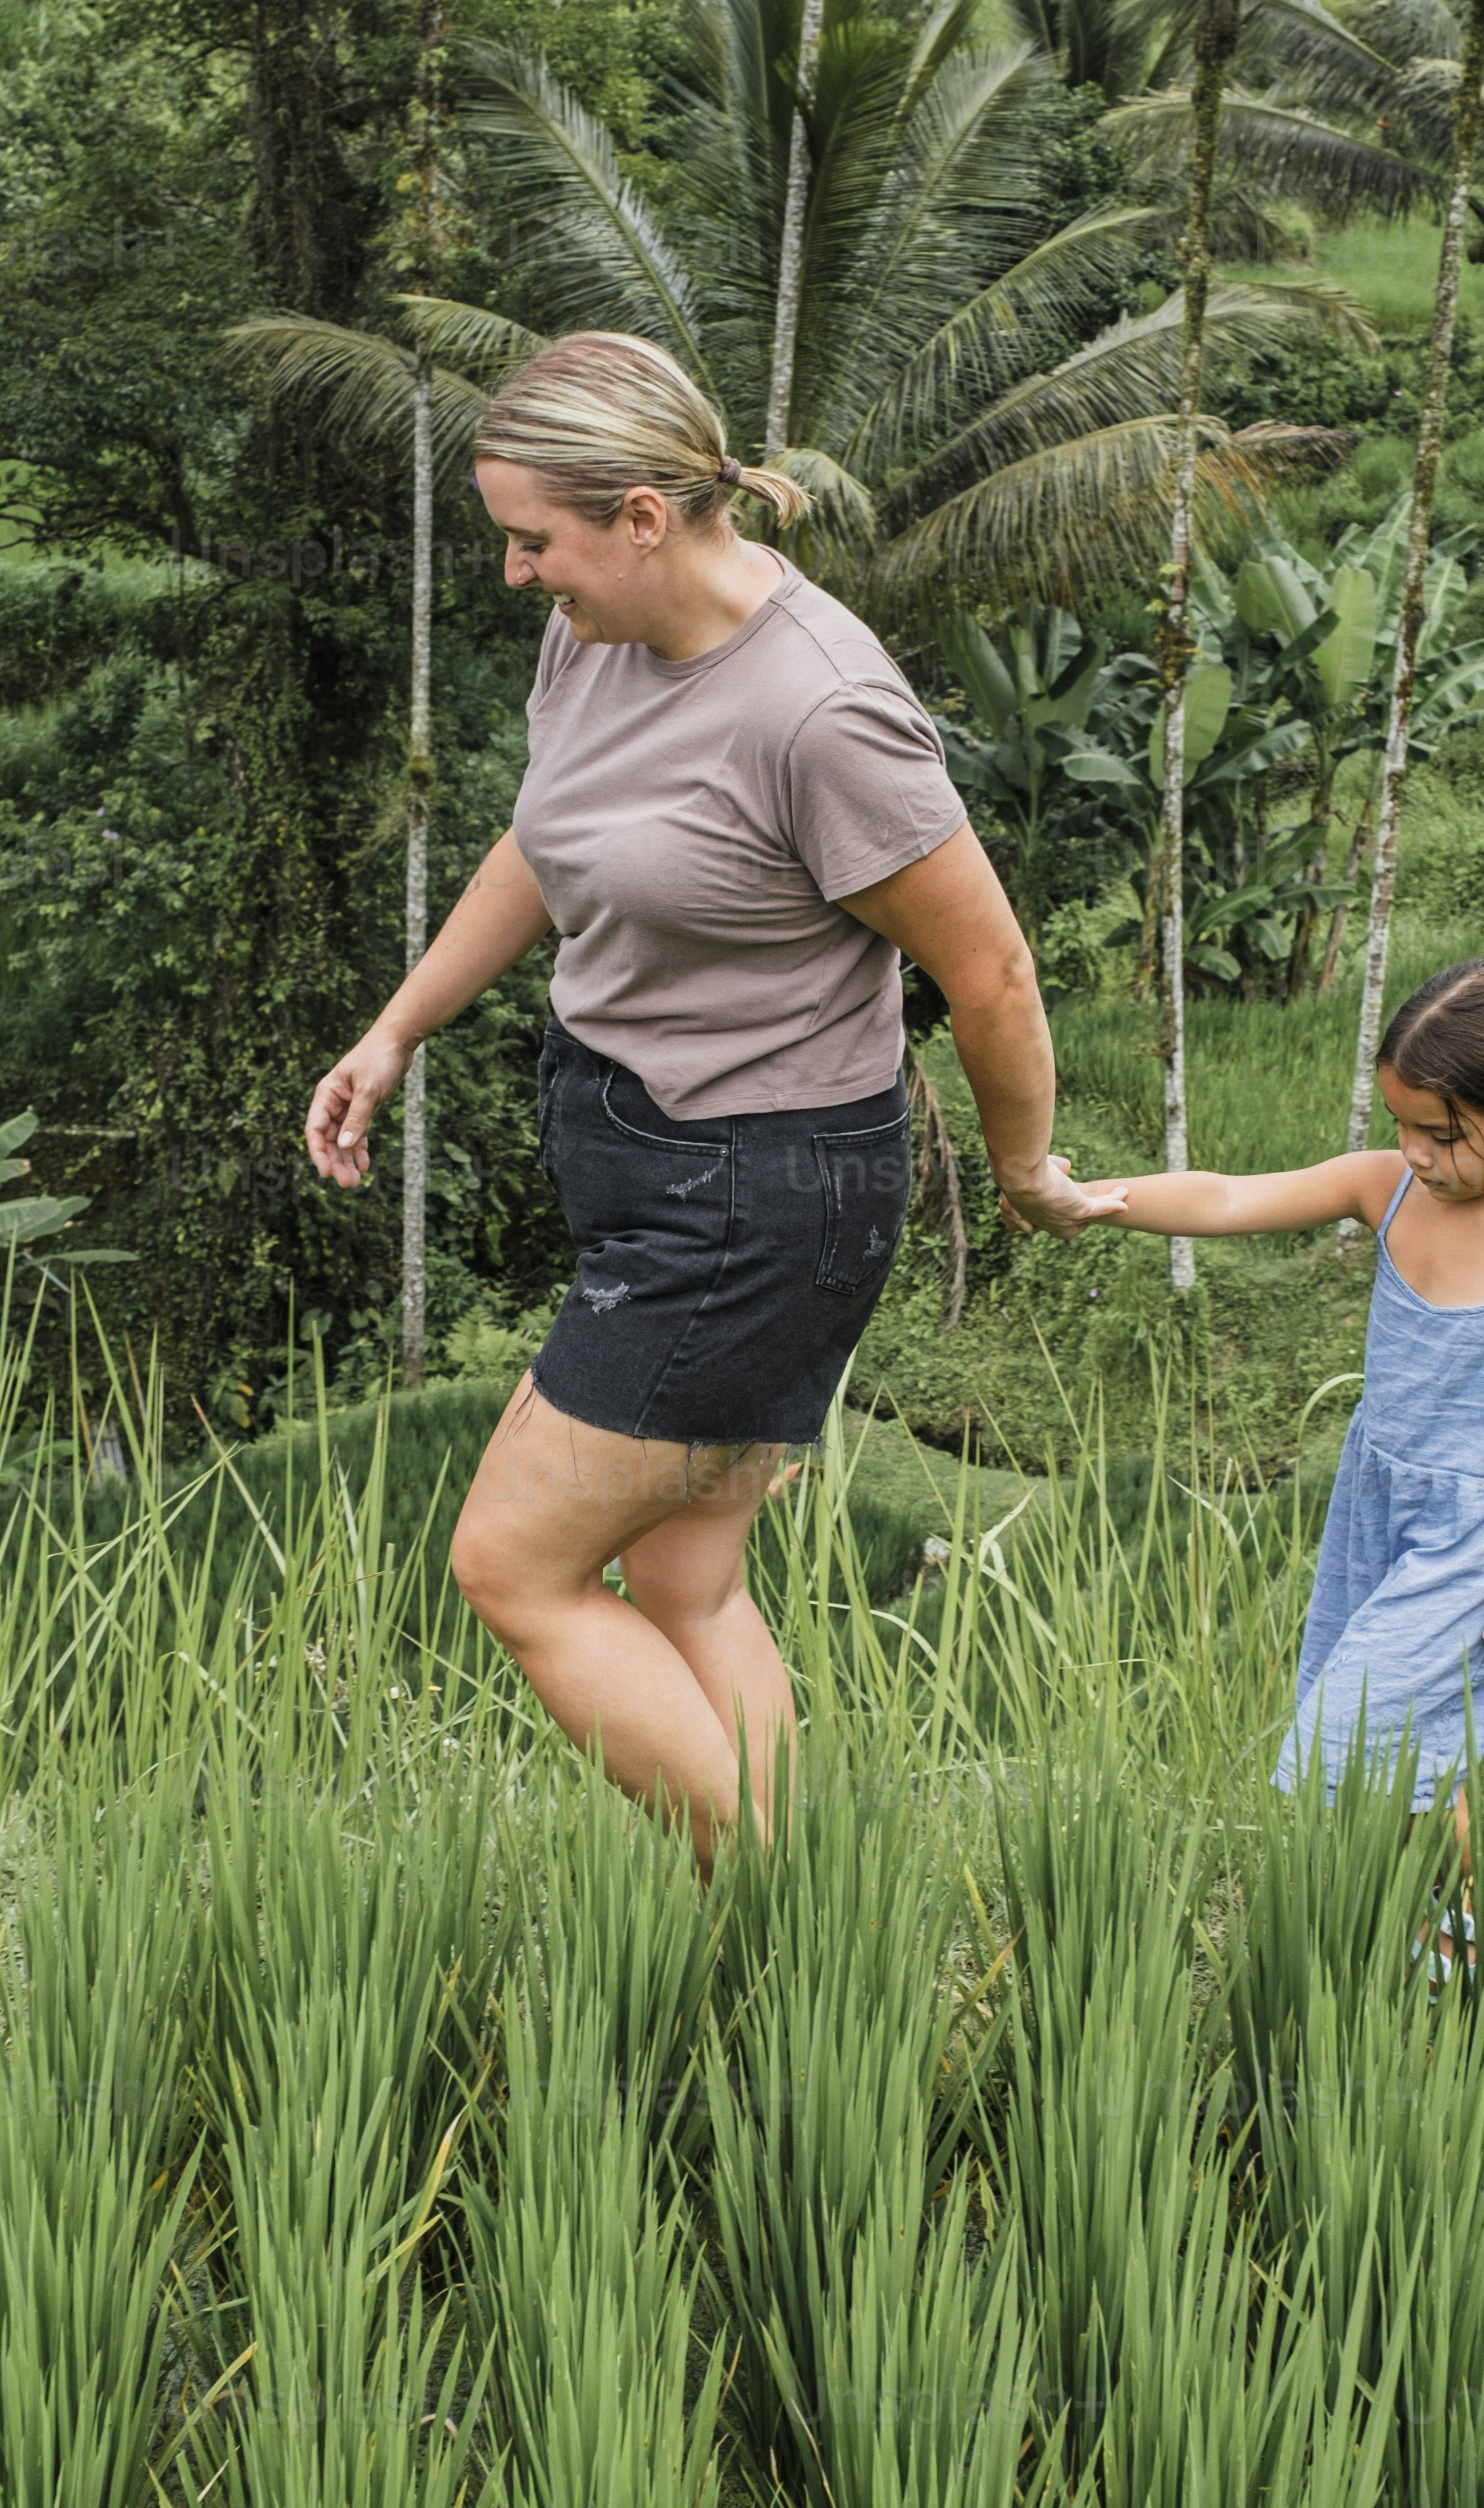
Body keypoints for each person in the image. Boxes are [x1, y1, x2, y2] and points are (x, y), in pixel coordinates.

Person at [301, 331, 1101, 1868]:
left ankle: (780, 1916)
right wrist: (399, 1026)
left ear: (646, 518)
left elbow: (991, 974)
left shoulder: (818, 712)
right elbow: (557, 839)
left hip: (756, 1204)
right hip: (650, 1158)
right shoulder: (596, 636)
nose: (520, 575)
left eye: (536, 540)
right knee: (683, 1586)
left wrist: (1023, 1170)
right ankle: (803, 1898)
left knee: (511, 1568)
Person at [1077, 960, 1484, 1974]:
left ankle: (1464, 1936)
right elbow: (1234, 1198)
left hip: (1476, 1540)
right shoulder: (1390, 1189)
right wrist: (1097, 1201)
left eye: (1445, 1134)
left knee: (1347, 1737)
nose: (1415, 1153)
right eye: (1404, 1125)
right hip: (1375, 1506)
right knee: (1399, 1742)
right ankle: (1477, 1922)